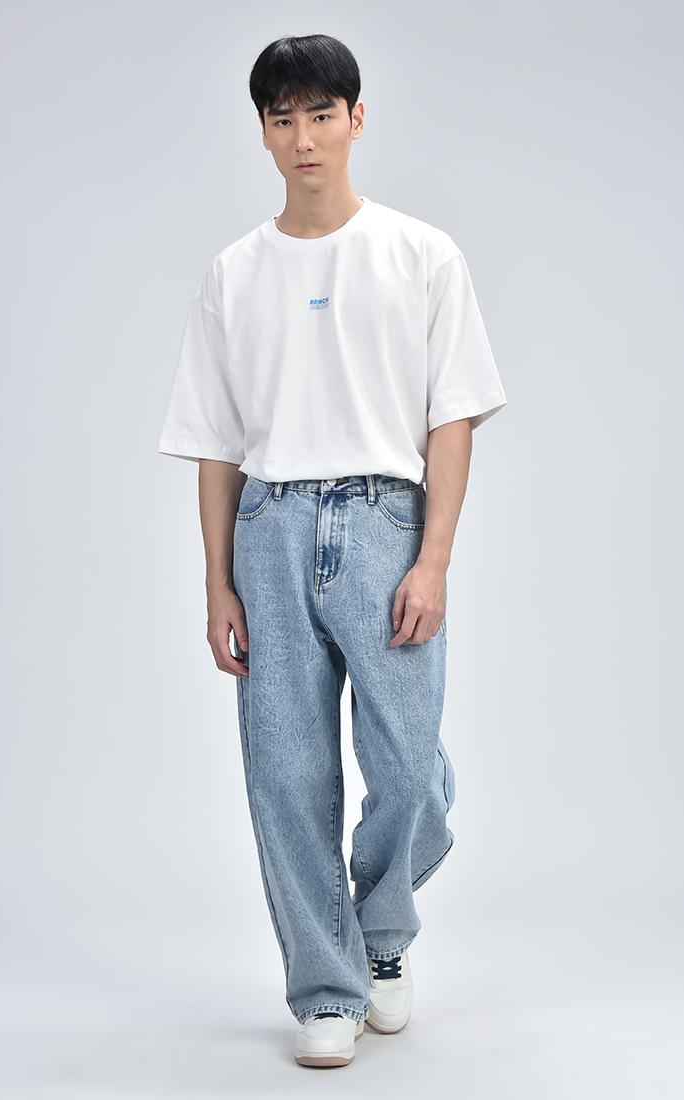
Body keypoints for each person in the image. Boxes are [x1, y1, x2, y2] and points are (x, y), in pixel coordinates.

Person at [157, 34, 507, 1068]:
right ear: (263, 133)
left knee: (410, 771)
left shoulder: (421, 254)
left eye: (321, 113)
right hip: (268, 529)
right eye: (283, 118)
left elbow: (452, 418)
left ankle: (380, 931)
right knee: (287, 774)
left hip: (386, 522)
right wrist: (216, 580)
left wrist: (433, 558)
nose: (303, 136)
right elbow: (217, 443)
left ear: (357, 118)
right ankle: (326, 985)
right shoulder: (233, 274)